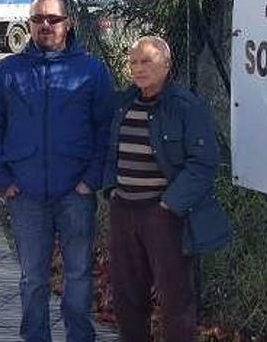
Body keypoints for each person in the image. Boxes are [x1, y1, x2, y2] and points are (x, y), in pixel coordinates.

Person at [0, 0, 114, 342]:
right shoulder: (8, 71)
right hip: (25, 194)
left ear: (67, 24)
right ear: (29, 23)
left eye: (53, 19)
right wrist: (2, 179)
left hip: (76, 193)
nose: (45, 25)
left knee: (79, 274)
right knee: (33, 278)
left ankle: (80, 337)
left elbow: (105, 129)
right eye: (38, 19)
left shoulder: (91, 71)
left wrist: (91, 180)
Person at [103, 36, 232, 342]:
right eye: (133, 62)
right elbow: (111, 152)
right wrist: (111, 189)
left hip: (163, 216)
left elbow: (203, 162)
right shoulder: (123, 104)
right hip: (124, 212)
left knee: (175, 299)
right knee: (127, 298)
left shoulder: (186, 107)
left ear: (166, 64)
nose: (138, 68)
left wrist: (169, 204)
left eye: (146, 61)